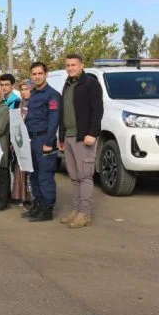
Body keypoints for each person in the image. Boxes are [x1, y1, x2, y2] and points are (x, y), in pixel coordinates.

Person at [58, 54, 104, 228]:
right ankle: (76, 210)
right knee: (74, 177)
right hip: (69, 137)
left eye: (73, 65)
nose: (70, 68)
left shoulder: (91, 84)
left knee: (85, 176)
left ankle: (84, 214)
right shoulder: (67, 84)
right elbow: (63, 112)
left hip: (83, 137)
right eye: (68, 65)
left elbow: (98, 110)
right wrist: (61, 137)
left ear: (82, 65)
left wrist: (92, 133)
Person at [24, 61, 62, 222]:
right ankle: (38, 204)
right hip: (31, 138)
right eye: (34, 74)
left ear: (46, 74)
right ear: (31, 76)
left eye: (40, 73)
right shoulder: (33, 94)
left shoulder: (52, 95)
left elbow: (54, 120)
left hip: (44, 139)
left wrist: (49, 142)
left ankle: (47, 209)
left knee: (45, 175)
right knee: (34, 174)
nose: (37, 77)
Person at [11, 80, 34, 208]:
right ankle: (22, 196)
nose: (24, 92)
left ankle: (32, 197)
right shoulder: (18, 104)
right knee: (20, 168)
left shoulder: (35, 103)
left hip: (32, 140)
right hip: (19, 141)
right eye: (22, 89)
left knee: (31, 170)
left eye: (27, 89)